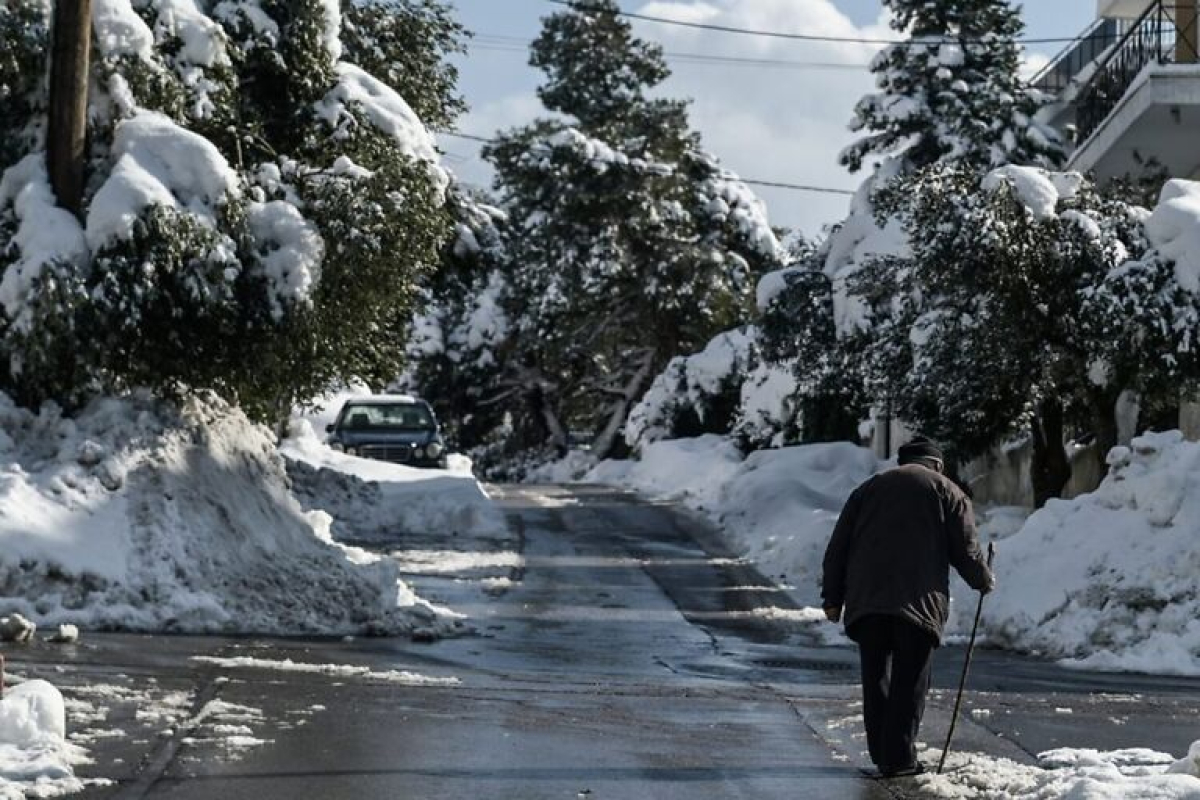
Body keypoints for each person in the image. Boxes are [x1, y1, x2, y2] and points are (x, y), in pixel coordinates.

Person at [821, 436, 994, 778]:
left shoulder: (867, 490)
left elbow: (838, 546)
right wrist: (983, 579)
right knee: (910, 680)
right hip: (918, 603)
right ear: (938, 465)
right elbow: (966, 550)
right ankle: (898, 759)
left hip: (867, 602)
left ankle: (881, 752)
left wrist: (832, 598)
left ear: (902, 461)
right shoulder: (947, 491)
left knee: (876, 678)